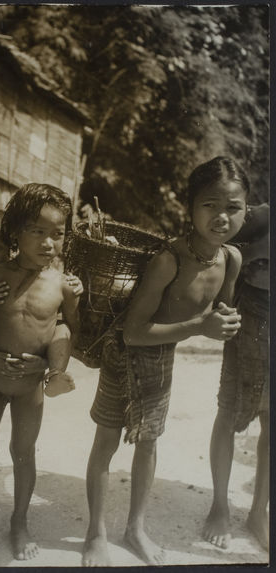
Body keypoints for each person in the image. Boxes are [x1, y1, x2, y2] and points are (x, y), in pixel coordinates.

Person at [82, 156, 248, 566]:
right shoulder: (169, 260)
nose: (221, 217)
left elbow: (220, 308)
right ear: (190, 209)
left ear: (246, 210)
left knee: (148, 442)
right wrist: (198, 325)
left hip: (162, 358)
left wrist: (226, 319)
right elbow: (133, 332)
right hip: (126, 355)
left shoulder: (230, 259)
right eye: (210, 205)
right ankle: (94, 533)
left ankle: (135, 528)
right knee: (106, 441)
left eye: (233, 207)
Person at [0, 183, 80, 563]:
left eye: (57, 234)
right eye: (37, 231)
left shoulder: (60, 284)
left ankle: (19, 522)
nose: (47, 243)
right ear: (15, 232)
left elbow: (73, 330)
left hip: (31, 384)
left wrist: (46, 364)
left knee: (23, 453)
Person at [0, 208, 80, 397]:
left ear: (11, 248)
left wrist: (76, 285)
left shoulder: (33, 277)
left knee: (62, 328)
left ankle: (55, 376)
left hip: (32, 371)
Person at [202, 201, 269, 551]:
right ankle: (219, 504)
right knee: (229, 412)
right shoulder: (261, 215)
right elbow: (221, 240)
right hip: (252, 312)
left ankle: (259, 512)